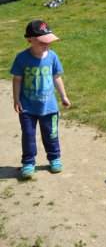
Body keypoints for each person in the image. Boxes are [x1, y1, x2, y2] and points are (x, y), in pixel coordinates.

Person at [10, 20, 71, 179]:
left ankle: (54, 158)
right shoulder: (22, 58)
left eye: (49, 42)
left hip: (49, 107)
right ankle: (28, 162)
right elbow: (17, 79)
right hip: (27, 107)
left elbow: (56, 76)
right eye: (42, 42)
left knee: (51, 134)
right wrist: (16, 99)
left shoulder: (52, 56)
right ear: (30, 39)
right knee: (28, 135)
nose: (46, 45)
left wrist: (63, 96)